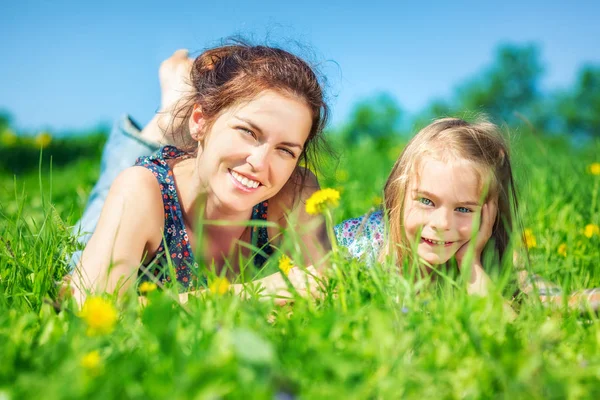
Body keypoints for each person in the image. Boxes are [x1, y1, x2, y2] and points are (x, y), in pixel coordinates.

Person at [69, 43, 330, 306]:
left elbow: (327, 289)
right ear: (200, 120)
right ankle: (171, 112)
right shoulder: (142, 190)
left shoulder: (294, 191)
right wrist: (249, 297)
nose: (260, 163)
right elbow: (91, 308)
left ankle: (178, 115)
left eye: (285, 150)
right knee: (106, 203)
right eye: (248, 132)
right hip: (152, 190)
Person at [334, 117, 600, 311]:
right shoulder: (359, 246)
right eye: (426, 201)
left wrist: (471, 263)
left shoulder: (487, 258)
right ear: (397, 194)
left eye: (463, 209)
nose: (442, 224)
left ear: (489, 214)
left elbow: (508, 331)